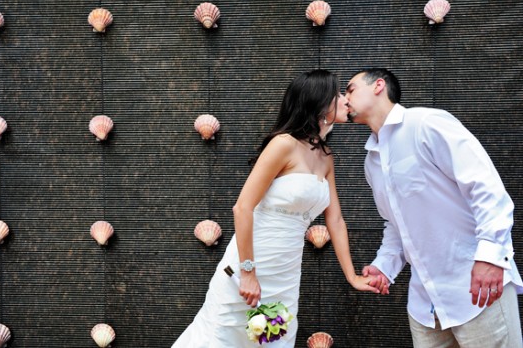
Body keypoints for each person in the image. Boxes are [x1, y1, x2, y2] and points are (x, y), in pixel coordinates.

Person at [173, 69, 380, 347]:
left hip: (285, 275)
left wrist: (352, 276)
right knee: (221, 337)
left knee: (272, 341)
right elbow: (242, 208)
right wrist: (248, 273)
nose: (345, 100)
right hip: (249, 268)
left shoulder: (325, 157)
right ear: (319, 102)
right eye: (338, 94)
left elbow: (337, 221)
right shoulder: (283, 144)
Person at [345, 67, 523, 347]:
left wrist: (491, 256)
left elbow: (485, 186)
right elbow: (395, 224)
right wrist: (384, 267)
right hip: (424, 306)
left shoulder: (426, 123)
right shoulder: (372, 162)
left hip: (477, 291)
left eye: (351, 88)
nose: (344, 97)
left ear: (379, 86)